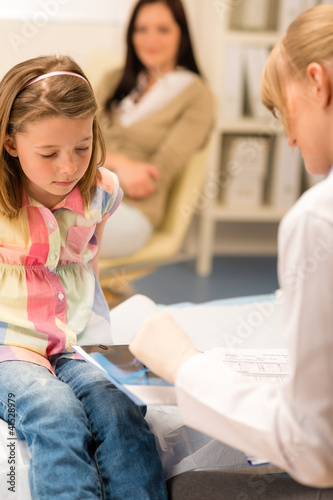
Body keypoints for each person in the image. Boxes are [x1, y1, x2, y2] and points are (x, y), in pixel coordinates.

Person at [129, 4, 333, 489]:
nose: (288, 138)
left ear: (317, 83)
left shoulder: (317, 218)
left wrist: (184, 366)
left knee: (187, 476)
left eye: (288, 112)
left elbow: (314, 447)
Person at [0, 55, 167, 500]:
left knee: (121, 411)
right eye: (49, 153)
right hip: (8, 344)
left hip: (76, 339)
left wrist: (97, 342)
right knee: (55, 412)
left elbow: (89, 266)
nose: (68, 167)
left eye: (82, 146)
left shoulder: (102, 192)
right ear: (11, 143)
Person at [96, 0, 214, 258]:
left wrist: (93, 164)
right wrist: (121, 164)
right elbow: (71, 142)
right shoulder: (113, 79)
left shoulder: (197, 96)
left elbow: (147, 181)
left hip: (130, 211)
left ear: (181, 34)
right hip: (76, 196)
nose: (150, 39)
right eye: (141, 29)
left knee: (41, 232)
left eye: (163, 29)